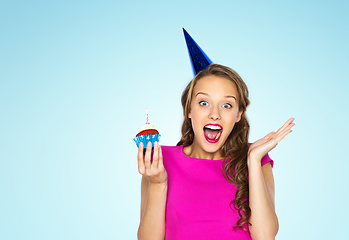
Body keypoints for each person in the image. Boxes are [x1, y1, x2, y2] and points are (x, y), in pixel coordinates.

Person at [137, 64, 295, 240]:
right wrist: (158, 184)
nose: (214, 114)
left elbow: (265, 236)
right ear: (189, 110)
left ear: (238, 115)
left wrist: (253, 161)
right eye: (204, 103)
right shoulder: (159, 161)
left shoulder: (257, 158)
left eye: (226, 105)